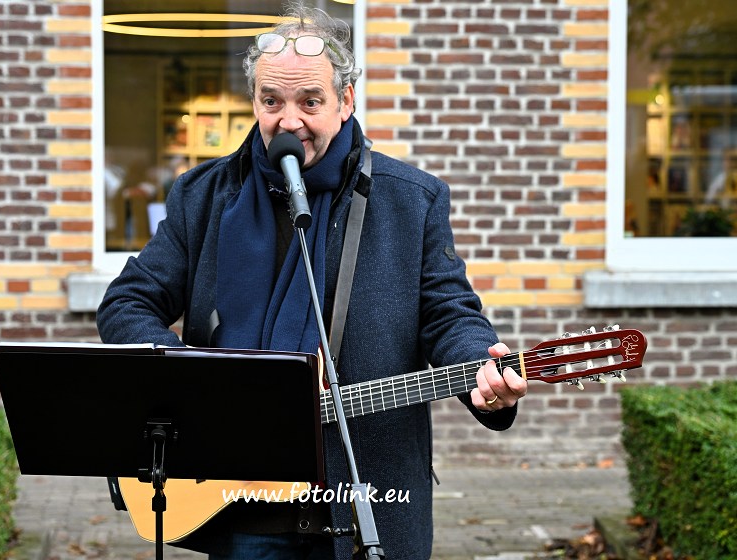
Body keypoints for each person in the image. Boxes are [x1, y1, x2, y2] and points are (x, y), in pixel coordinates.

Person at [96, 4, 528, 560]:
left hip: (367, 503)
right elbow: (128, 302)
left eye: (310, 101)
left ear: (346, 101)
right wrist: (188, 384)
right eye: (271, 101)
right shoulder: (202, 195)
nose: (288, 120)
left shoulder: (410, 199)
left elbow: (450, 315)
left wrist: (482, 370)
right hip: (240, 509)